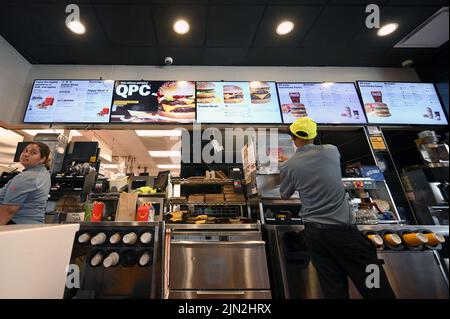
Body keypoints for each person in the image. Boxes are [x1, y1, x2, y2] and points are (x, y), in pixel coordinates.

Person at [279, 117, 395, 299]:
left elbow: (285, 194)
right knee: (375, 285)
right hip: (344, 234)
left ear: (293, 137)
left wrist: (287, 165)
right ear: (315, 135)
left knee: (333, 289)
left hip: (315, 236)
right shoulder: (332, 151)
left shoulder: (289, 165)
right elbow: (314, 164)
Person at [0, 142, 51, 225]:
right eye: (25, 151)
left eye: (33, 153)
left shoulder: (27, 177)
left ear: (42, 159)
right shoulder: (43, 173)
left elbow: (9, 210)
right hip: (32, 225)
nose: (26, 154)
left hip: (16, 224)